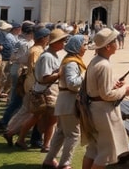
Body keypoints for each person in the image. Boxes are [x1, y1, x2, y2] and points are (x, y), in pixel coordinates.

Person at [82, 28, 129, 169]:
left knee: (93, 149)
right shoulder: (104, 65)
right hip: (103, 112)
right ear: (108, 46)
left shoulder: (96, 61)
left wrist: (114, 84)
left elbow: (98, 88)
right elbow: (106, 95)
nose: (117, 43)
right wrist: (125, 90)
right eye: (115, 41)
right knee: (106, 152)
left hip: (94, 109)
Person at [18, 28, 68, 152]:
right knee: (50, 120)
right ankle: (45, 145)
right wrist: (60, 74)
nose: (63, 43)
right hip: (47, 92)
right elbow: (45, 78)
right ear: (54, 42)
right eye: (61, 41)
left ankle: (24, 139)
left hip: (45, 91)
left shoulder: (51, 54)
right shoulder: (48, 56)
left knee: (39, 118)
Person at [42, 34, 87, 169]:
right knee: (72, 135)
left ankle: (49, 160)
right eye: (83, 45)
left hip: (65, 101)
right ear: (77, 47)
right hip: (69, 102)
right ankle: (65, 163)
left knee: (61, 132)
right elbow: (72, 83)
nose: (85, 48)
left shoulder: (70, 60)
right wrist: (86, 77)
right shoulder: (72, 63)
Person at [0, 21, 34, 132]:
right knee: (18, 98)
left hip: (16, 67)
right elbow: (24, 59)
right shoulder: (26, 44)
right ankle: (7, 122)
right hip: (20, 68)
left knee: (16, 96)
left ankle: (7, 121)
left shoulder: (20, 41)